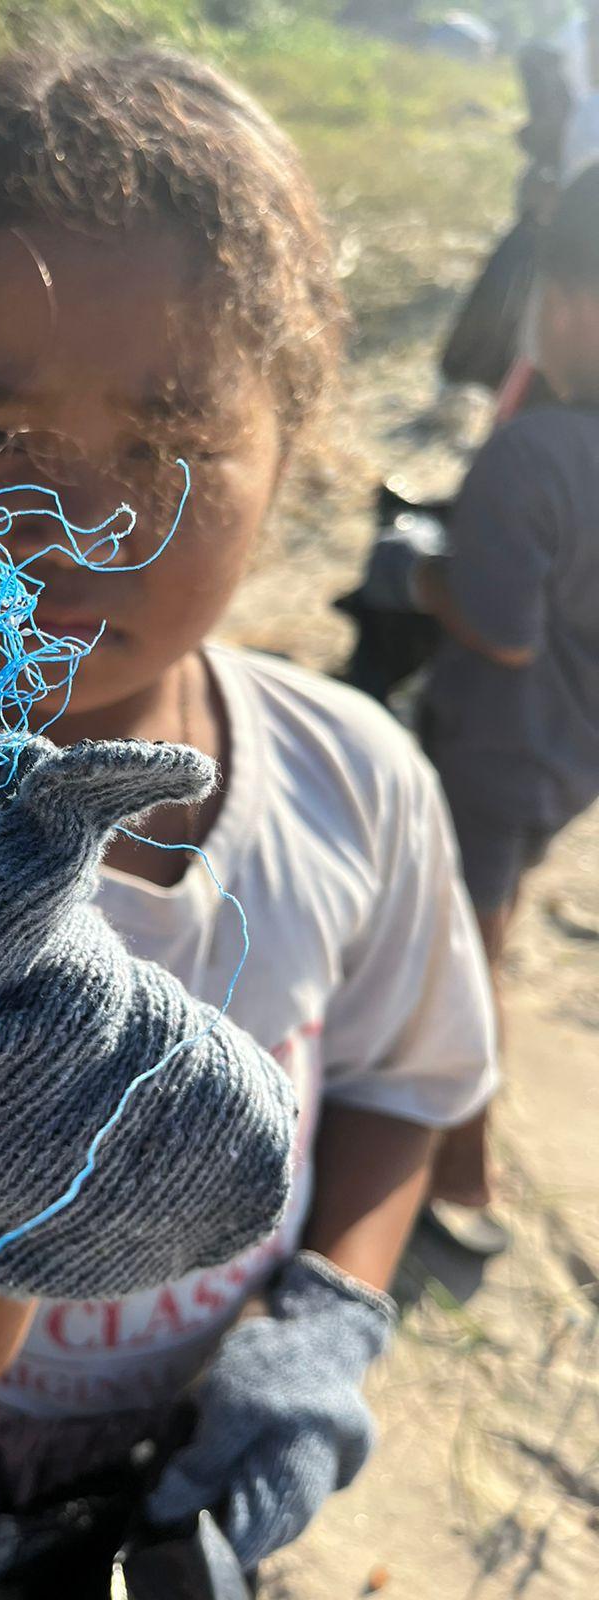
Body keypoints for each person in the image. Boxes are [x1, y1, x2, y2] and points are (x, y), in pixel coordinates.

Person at [0, 50, 497, 1600]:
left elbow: (404, 1081)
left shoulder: (358, 776)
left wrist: (325, 1323)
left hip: (203, 1453)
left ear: (292, 448)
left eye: (167, 445)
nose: (71, 528)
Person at [415, 163, 599, 1247]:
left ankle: (462, 1172)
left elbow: (503, 626)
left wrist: (414, 575)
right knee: (500, 908)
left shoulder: (532, 455)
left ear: (569, 304)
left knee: (465, 948)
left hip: (496, 748)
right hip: (575, 753)